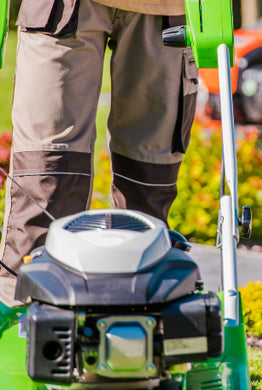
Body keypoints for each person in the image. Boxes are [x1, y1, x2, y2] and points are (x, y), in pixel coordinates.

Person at [0, 0, 198, 306]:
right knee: (47, 174)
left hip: (163, 9)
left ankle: (139, 313)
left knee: (148, 184)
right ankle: (21, 314)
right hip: (63, 8)